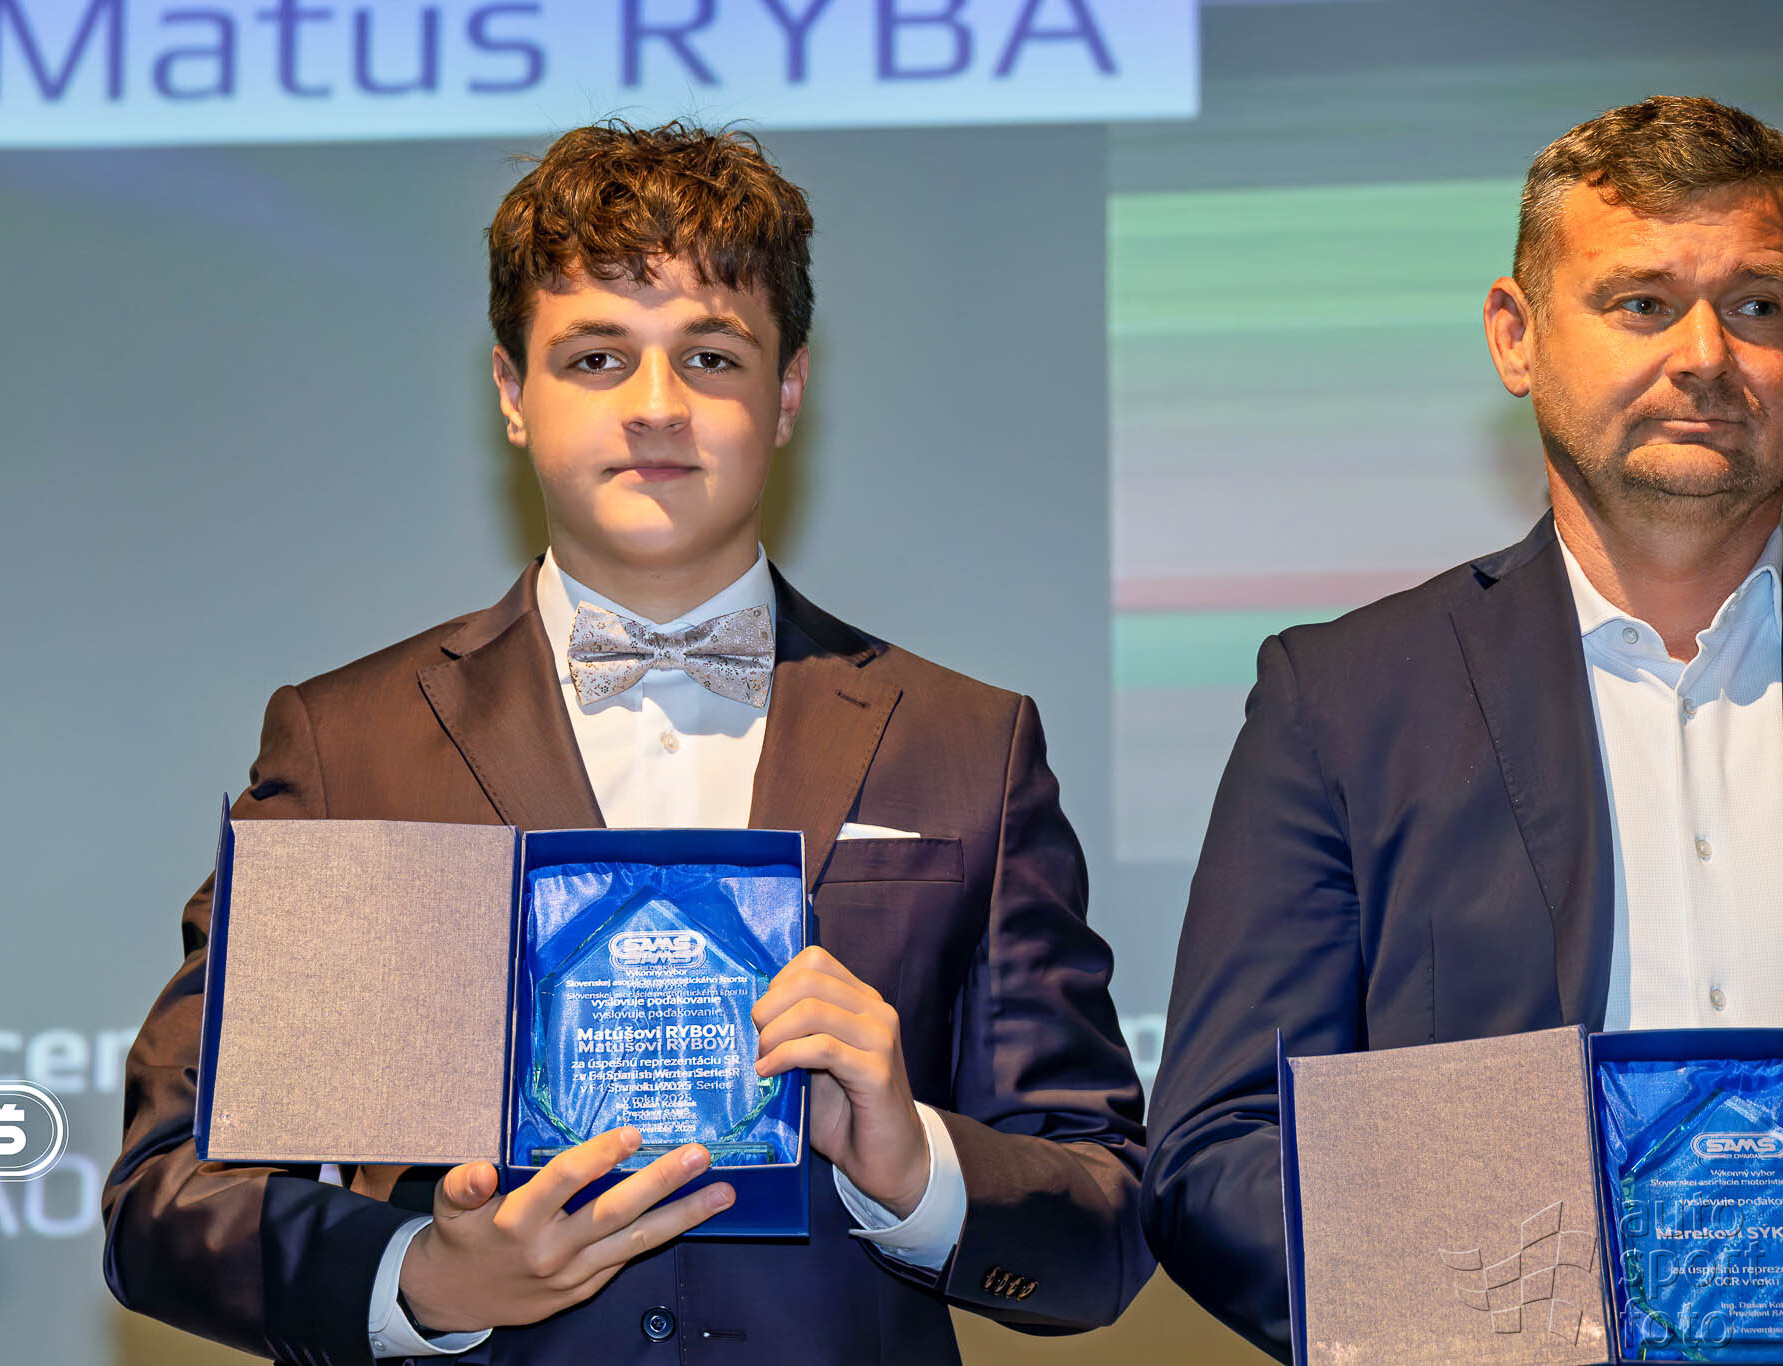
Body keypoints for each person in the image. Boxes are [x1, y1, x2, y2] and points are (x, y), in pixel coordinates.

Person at [101, 120, 1153, 1365]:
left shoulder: (965, 741)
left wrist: (916, 1163)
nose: (656, 407)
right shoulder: (351, 747)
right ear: (511, 392)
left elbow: (1104, 1220)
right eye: (596, 357)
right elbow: (171, 1194)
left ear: (787, 392)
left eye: (710, 356)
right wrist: (422, 1274)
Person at [1141, 93, 1783, 1360]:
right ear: (1514, 335)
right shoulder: (1343, 700)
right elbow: (1219, 1149)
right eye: (1640, 303)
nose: (1705, 355)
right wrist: (1497, 1310)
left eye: (1757, 304)